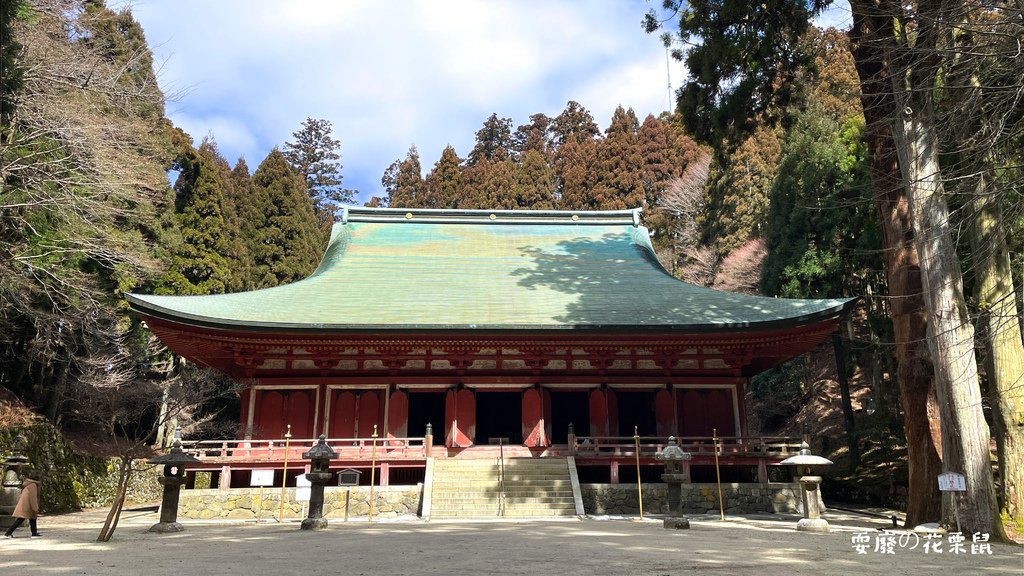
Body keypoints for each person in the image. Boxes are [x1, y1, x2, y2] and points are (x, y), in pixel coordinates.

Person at [4, 468, 41, 538]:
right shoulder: (33, 485)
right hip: (27, 505)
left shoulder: (28, 484)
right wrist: (35, 507)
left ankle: (34, 532)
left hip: (25, 504)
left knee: (32, 518)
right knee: (20, 519)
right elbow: (32, 497)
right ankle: (8, 533)